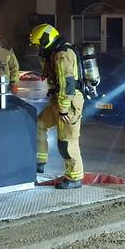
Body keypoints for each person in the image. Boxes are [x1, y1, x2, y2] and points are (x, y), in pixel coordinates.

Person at [30, 23, 84, 189]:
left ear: (46, 40)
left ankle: (74, 177)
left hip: (68, 102)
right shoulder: (55, 52)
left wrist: (63, 110)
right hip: (58, 101)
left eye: (39, 44)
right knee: (39, 124)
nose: (39, 48)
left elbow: (66, 85)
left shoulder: (62, 55)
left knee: (67, 141)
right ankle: (40, 162)